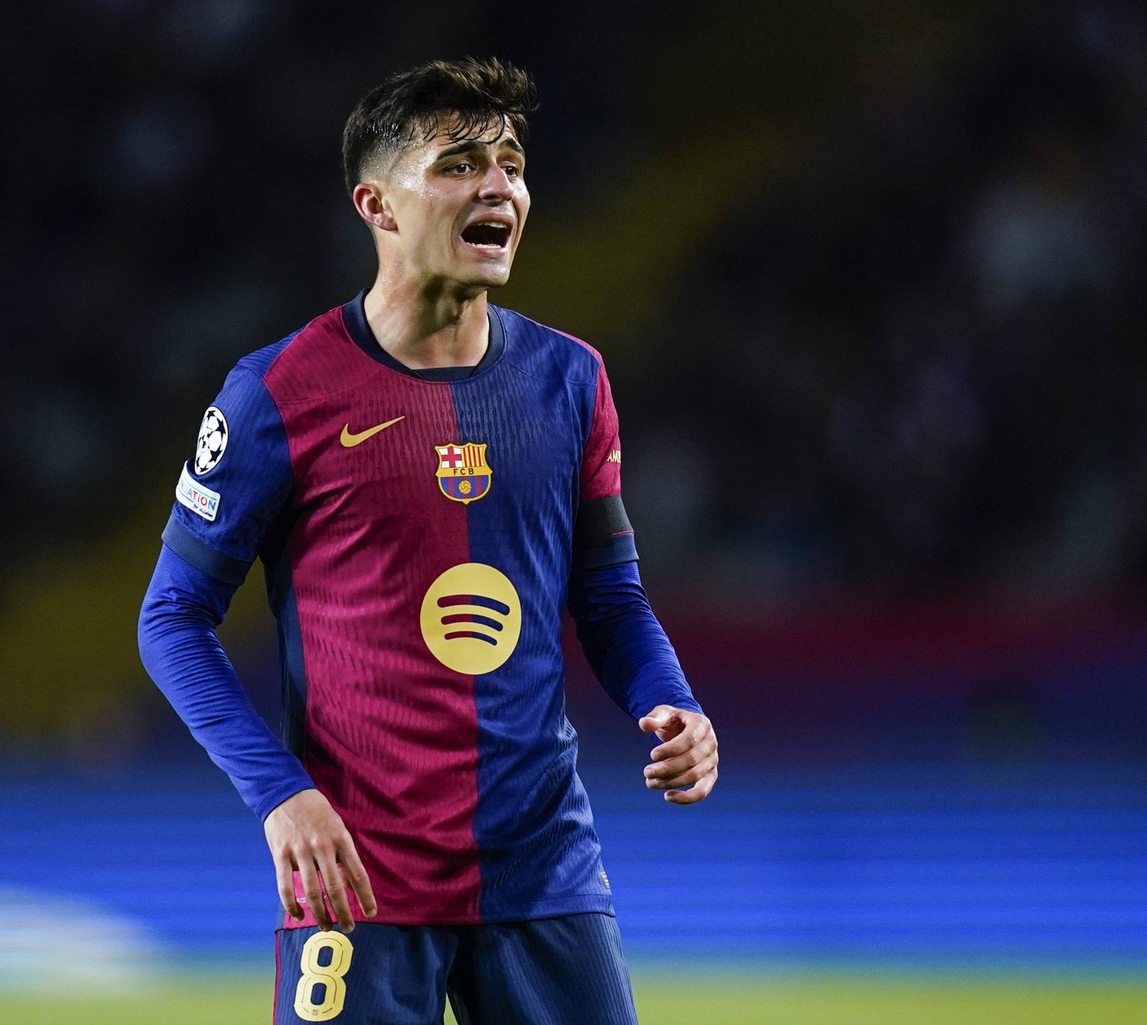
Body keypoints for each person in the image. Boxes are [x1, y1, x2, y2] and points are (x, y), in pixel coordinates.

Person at [138, 56, 718, 1025]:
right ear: (377, 204)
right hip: (357, 873)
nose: (499, 187)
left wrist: (672, 700)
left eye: (511, 165)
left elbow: (609, 596)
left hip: (542, 868)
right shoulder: (278, 391)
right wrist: (281, 794)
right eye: (459, 165)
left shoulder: (571, 380)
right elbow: (172, 616)